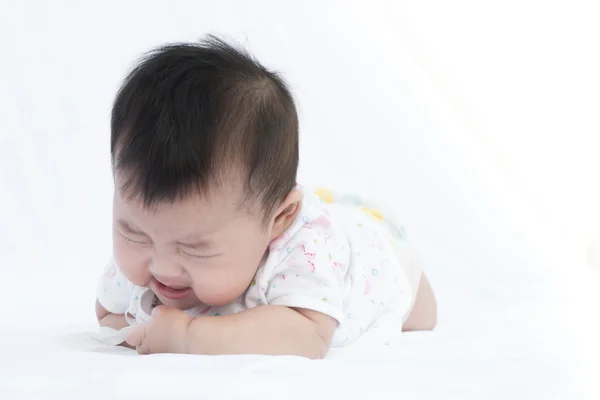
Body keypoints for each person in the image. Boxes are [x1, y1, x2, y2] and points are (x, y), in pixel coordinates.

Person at [95, 35, 437, 359]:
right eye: (134, 233)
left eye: (194, 248)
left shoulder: (302, 253)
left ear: (278, 220)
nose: (163, 268)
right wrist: (145, 330)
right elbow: (109, 313)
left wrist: (188, 337)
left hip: (374, 250)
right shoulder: (151, 253)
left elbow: (310, 337)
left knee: (421, 314)